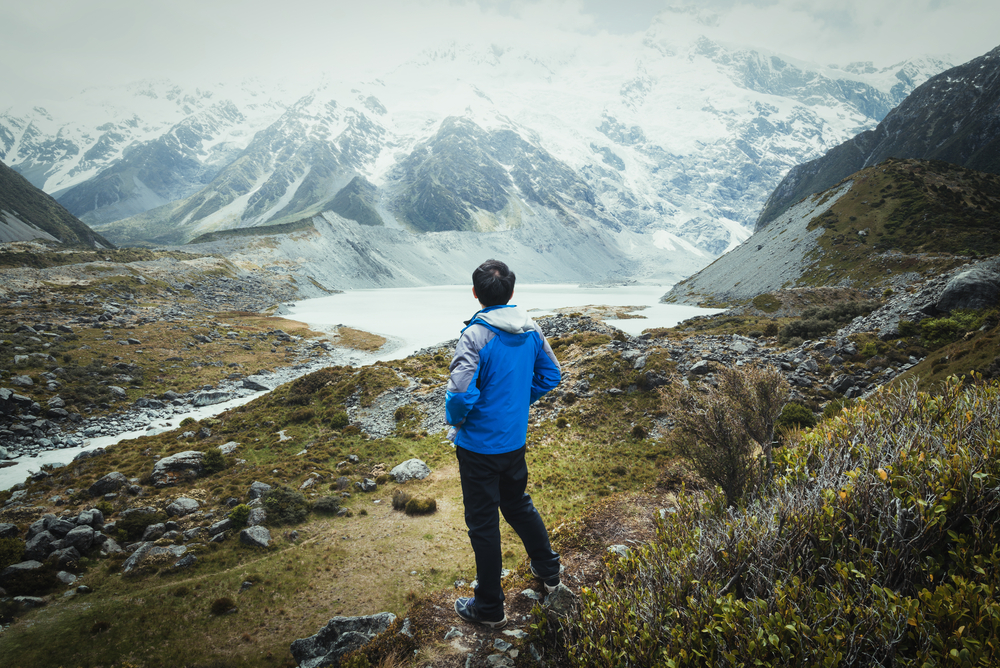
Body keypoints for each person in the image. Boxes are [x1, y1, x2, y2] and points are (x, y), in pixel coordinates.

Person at [445, 259, 562, 629]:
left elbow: (461, 395)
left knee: (483, 525)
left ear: (476, 293)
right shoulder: (530, 330)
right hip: (513, 442)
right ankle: (549, 571)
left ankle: (490, 609)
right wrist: (517, 402)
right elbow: (551, 374)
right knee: (518, 504)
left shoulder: (475, 336)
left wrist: (457, 420)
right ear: (511, 292)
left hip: (478, 448)